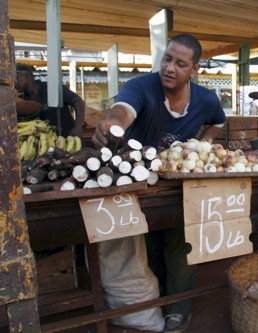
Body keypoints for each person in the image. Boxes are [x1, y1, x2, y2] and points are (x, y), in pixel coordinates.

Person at [92, 34, 226, 333]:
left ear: (195, 69)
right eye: (167, 58)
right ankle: (151, 301)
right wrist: (112, 124)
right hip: (137, 181)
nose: (169, 67)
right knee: (145, 240)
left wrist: (203, 145)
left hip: (178, 183)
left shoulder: (205, 99)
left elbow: (218, 121)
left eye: (181, 63)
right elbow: (123, 110)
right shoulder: (142, 87)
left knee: (179, 241)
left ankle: (178, 308)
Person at [15, 63, 86, 137]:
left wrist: (78, 127)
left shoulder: (51, 88)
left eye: (16, 77)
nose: (14, 82)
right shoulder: (22, 100)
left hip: (67, 138)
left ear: (27, 75)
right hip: (44, 143)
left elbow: (78, 102)